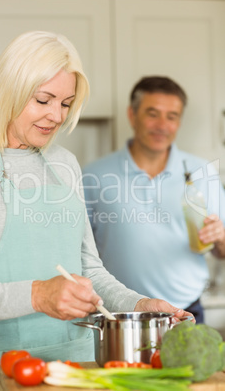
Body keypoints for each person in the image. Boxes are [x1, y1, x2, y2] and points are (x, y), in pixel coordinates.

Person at [0, 35, 193, 377]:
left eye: (65, 103)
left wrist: (138, 305)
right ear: (9, 88)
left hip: (77, 362)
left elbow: (88, 270)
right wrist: (38, 295)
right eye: (43, 100)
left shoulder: (64, 162)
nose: (56, 116)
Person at [83, 76, 225, 325]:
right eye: (153, 114)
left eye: (172, 116)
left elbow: (222, 251)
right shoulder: (94, 176)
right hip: (120, 312)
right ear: (132, 115)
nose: (162, 125)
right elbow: (82, 254)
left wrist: (220, 238)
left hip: (186, 311)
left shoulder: (202, 173)